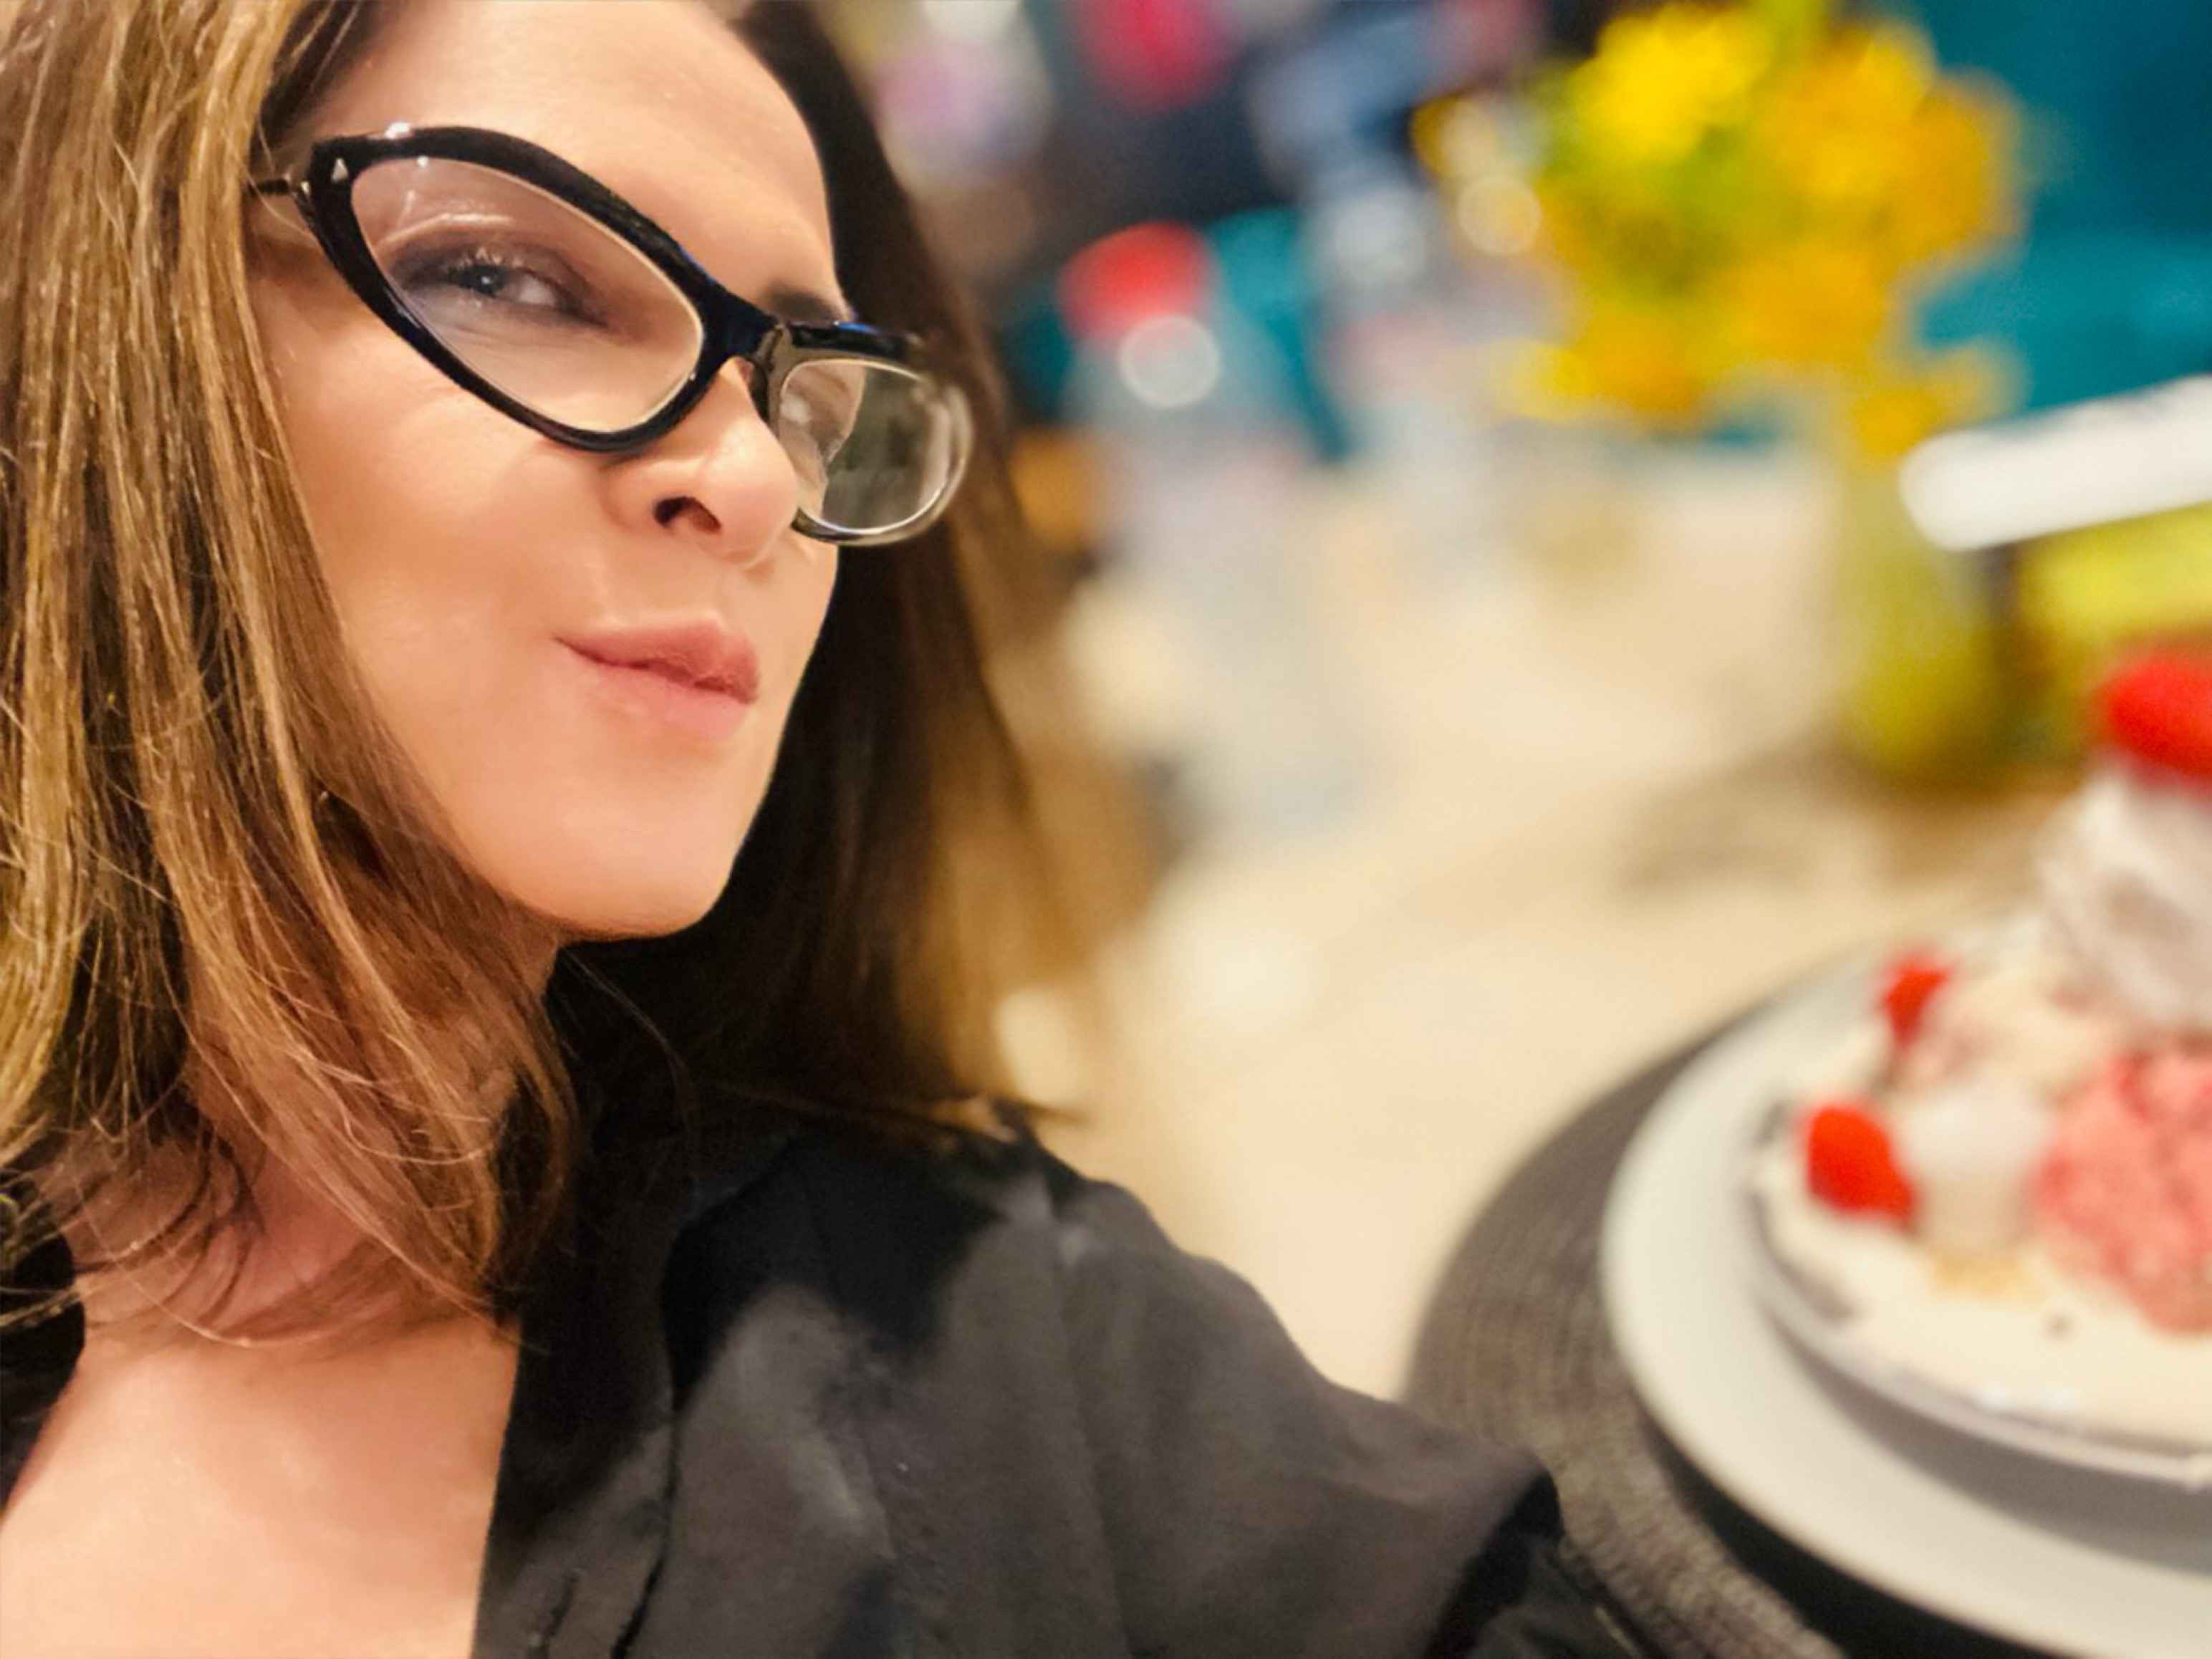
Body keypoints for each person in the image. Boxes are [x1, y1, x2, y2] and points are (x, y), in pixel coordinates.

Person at [0, 3, 1636, 1654]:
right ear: (103, 319)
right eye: (509, 278)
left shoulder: (1011, 1367)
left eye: (807, 390)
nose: (759, 486)